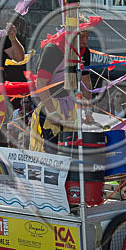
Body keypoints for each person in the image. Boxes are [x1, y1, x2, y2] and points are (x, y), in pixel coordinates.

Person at [29, 15, 101, 152]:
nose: (85, 41)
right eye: (81, 36)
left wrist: (88, 110)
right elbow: (41, 83)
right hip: (50, 102)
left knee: (72, 149)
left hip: (71, 105)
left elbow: (86, 81)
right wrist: (52, 112)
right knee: (51, 150)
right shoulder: (53, 50)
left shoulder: (84, 52)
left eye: (87, 36)